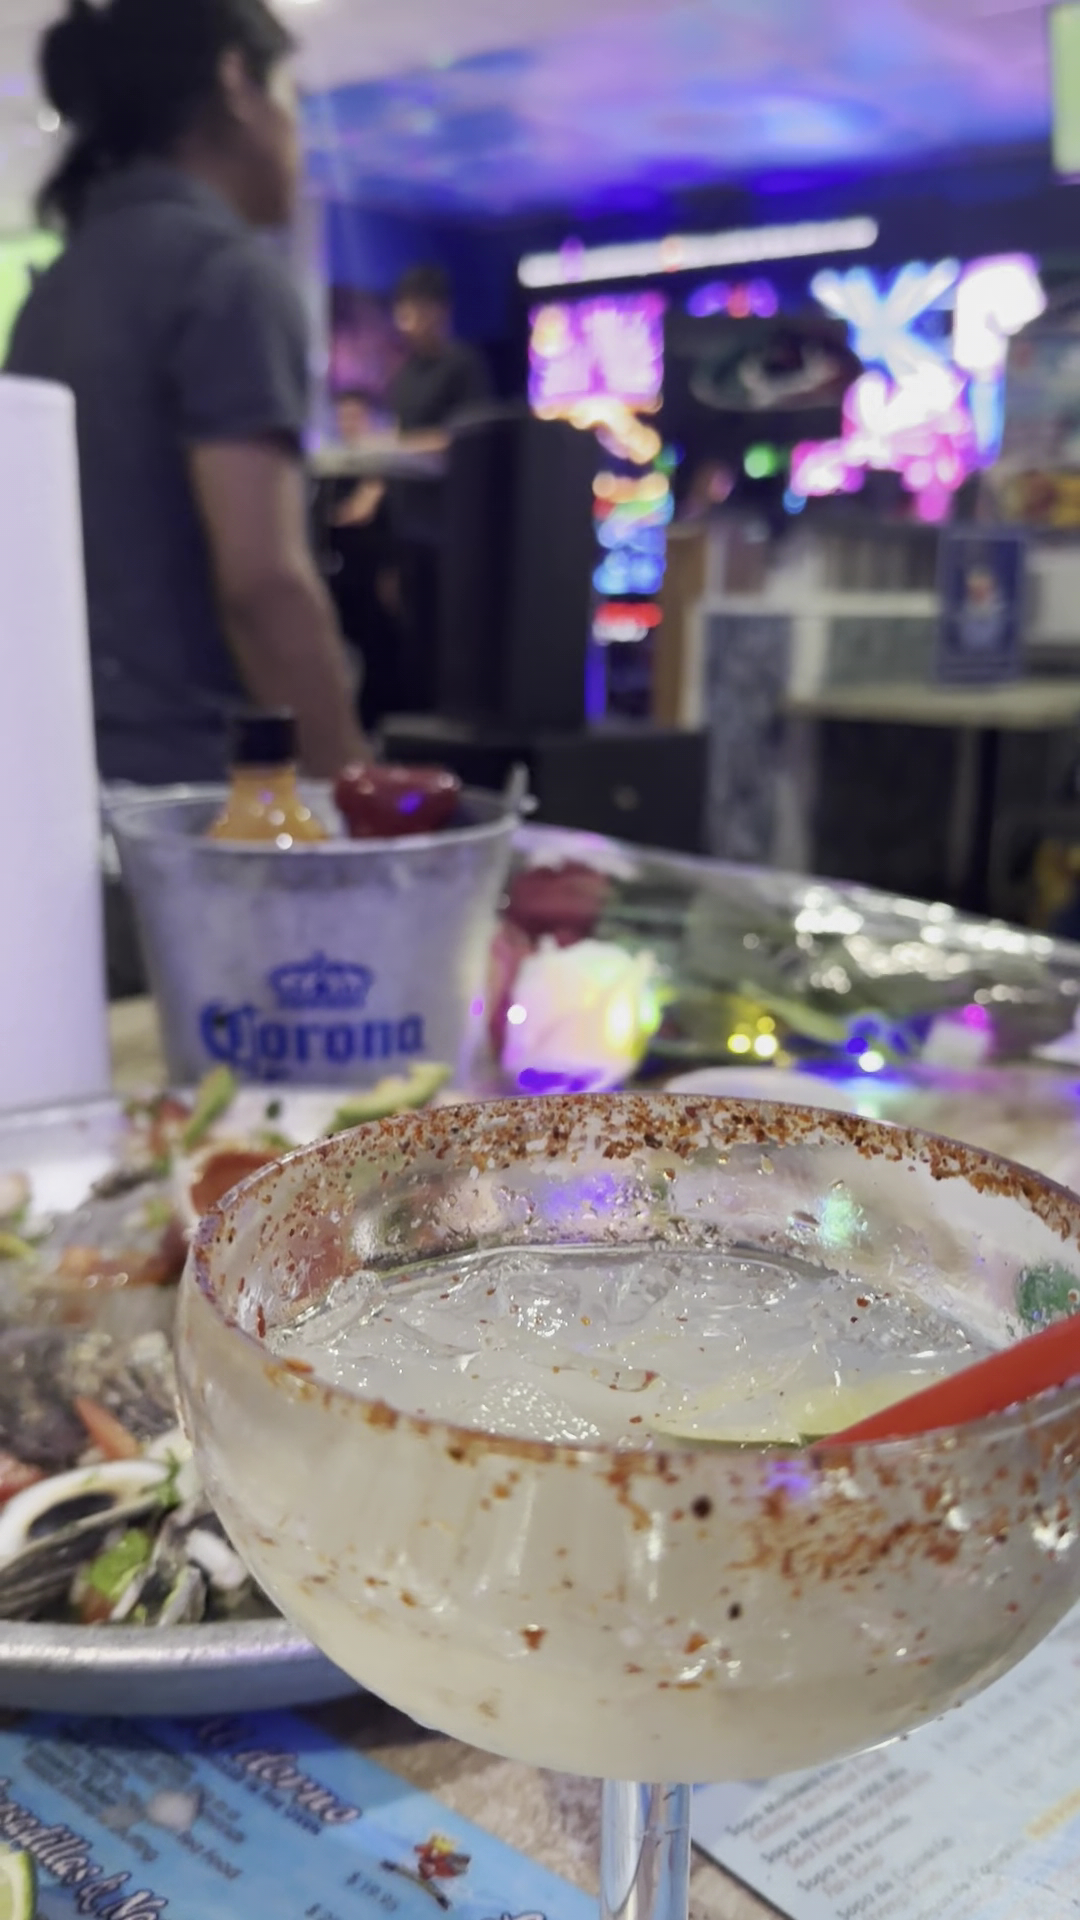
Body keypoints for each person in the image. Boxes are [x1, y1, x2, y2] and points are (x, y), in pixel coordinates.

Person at [6, 0, 365, 786]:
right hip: (196, 792)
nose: (295, 137)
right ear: (236, 81)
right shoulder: (222, 274)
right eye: (289, 99)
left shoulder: (53, 292)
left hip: (58, 774)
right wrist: (349, 793)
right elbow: (262, 583)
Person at [385, 264, 491, 712]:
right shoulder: (405, 376)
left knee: (452, 640)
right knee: (412, 641)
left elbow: (468, 438)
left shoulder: (464, 367)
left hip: (451, 531)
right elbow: (395, 447)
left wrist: (403, 446)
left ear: (438, 312)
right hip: (408, 530)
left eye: (414, 311)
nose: (406, 323)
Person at [315, 392, 406, 731]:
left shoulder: (382, 469)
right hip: (338, 577)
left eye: (354, 416)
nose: (348, 424)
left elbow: (361, 514)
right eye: (343, 417)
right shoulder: (334, 469)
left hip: (373, 576)